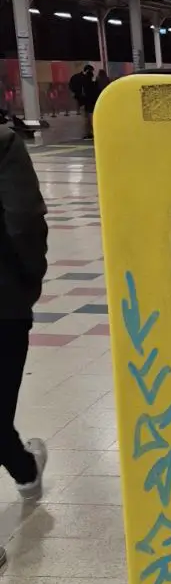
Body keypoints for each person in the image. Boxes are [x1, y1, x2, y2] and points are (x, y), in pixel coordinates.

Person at [0, 106, 48, 497]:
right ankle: (25, 468)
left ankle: (25, 469)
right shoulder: (3, 143)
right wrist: (28, 281)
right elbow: (24, 221)